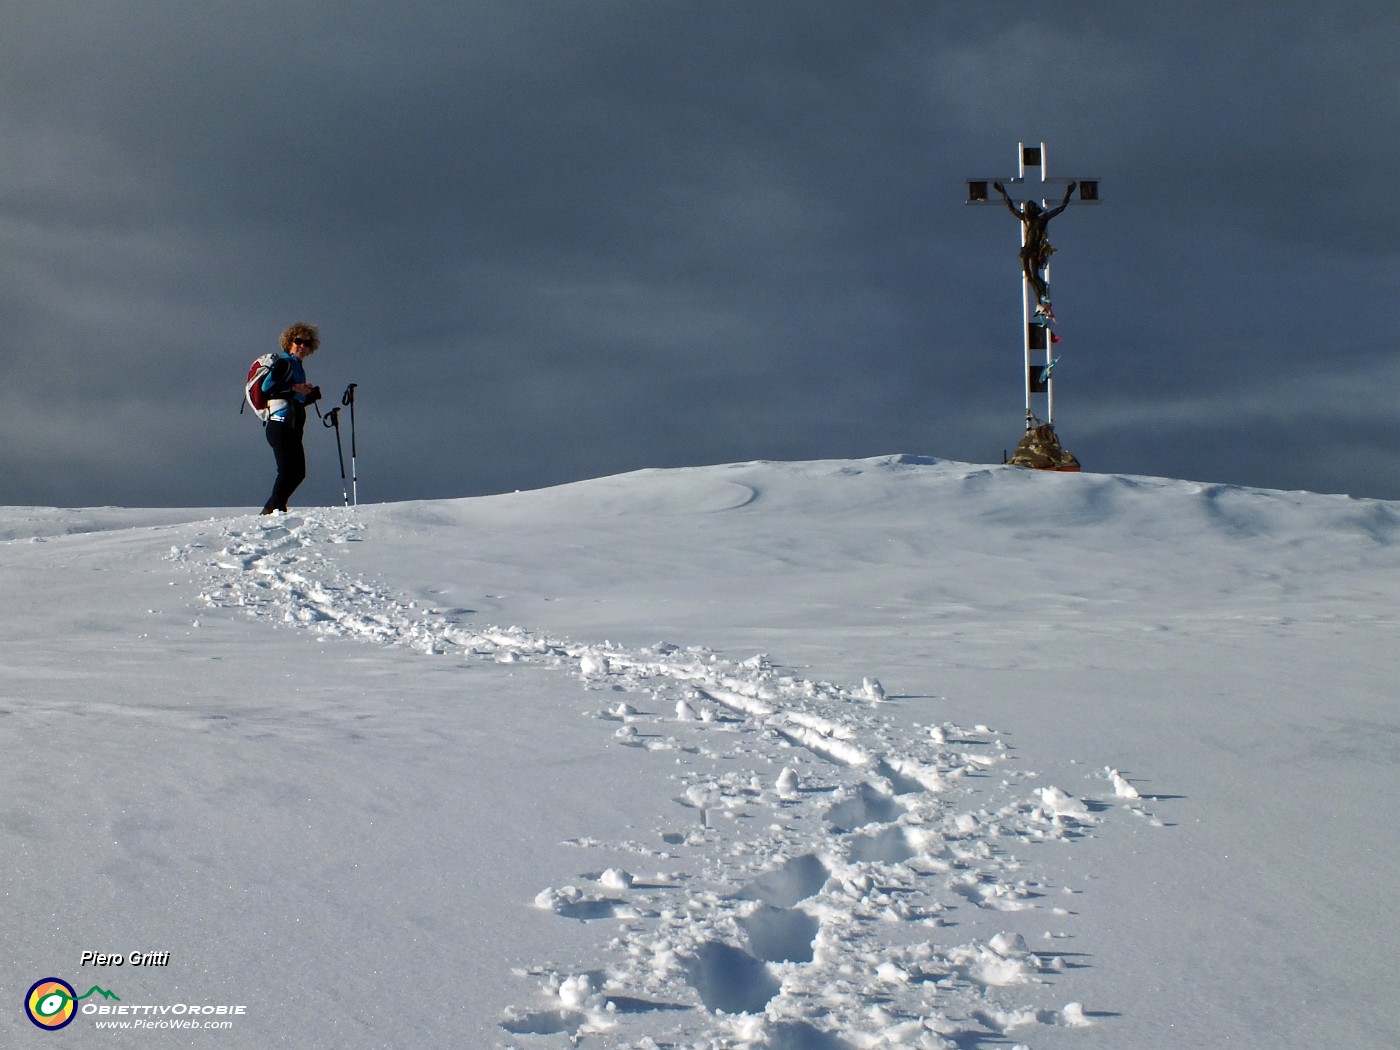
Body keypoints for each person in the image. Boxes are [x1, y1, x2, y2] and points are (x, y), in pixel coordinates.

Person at [259, 322, 322, 515]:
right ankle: (274, 509)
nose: (302, 345)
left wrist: (308, 396)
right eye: (298, 341)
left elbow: (294, 401)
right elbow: (267, 387)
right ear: (289, 342)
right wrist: (296, 389)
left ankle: (273, 508)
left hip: (291, 427)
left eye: (307, 343)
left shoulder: (297, 368)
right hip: (279, 425)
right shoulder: (284, 363)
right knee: (288, 471)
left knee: (298, 472)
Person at [993, 181, 1077, 303]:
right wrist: (1003, 192)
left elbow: (1061, 208)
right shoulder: (1026, 219)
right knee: (1029, 277)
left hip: (1034, 251)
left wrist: (1068, 192)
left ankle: (1044, 294)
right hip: (1026, 250)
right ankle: (1038, 300)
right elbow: (1010, 206)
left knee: (1035, 275)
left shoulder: (1042, 219)